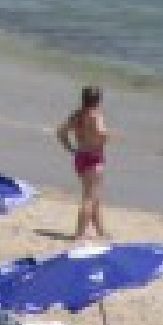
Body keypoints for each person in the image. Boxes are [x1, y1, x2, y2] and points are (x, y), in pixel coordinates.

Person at [56, 87, 110, 239]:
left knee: (94, 196)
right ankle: (79, 234)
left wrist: (70, 148)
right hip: (93, 159)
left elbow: (61, 132)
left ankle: (100, 230)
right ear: (98, 101)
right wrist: (105, 139)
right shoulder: (95, 115)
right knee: (89, 197)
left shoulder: (77, 115)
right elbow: (101, 132)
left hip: (80, 157)